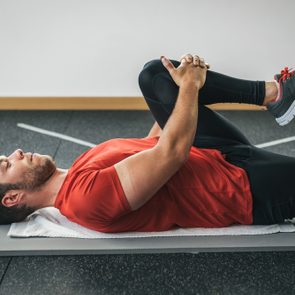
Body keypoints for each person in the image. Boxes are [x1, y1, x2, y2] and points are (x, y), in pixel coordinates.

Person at [0, 54, 295, 233]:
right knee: (179, 83)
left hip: (214, 152)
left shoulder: (77, 169)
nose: (16, 152)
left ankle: (274, 95)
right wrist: (191, 84)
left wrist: (175, 94)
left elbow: (153, 144)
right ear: (12, 198)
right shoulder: (83, 200)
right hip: (242, 189)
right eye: (6, 164)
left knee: (155, 75)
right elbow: (171, 153)